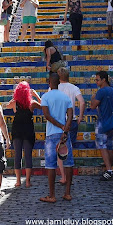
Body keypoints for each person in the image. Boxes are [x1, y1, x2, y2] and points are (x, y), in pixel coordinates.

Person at [39, 73, 74, 203]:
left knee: (50, 165)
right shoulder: (65, 97)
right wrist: (66, 127)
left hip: (51, 134)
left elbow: (47, 115)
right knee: (69, 163)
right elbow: (70, 114)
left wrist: (60, 126)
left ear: (49, 82)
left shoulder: (46, 96)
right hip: (64, 134)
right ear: (58, 82)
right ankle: (67, 193)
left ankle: (52, 195)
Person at [5, 82, 41, 188]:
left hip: (17, 130)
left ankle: (18, 181)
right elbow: (44, 105)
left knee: (17, 155)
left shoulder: (15, 102)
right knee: (28, 155)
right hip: (28, 130)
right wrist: (36, 95)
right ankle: (28, 181)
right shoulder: (32, 103)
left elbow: (7, 105)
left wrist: (14, 98)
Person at [57, 67, 85, 185]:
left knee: (60, 149)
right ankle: (68, 177)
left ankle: (63, 176)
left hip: (58, 122)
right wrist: (80, 116)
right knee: (70, 148)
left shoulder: (54, 87)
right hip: (71, 121)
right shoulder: (74, 88)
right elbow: (82, 102)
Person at [90, 70, 113, 181]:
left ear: (104, 80)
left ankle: (109, 170)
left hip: (102, 122)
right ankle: (110, 166)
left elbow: (93, 106)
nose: (96, 82)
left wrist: (92, 97)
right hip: (111, 121)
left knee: (102, 146)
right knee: (109, 145)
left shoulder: (101, 92)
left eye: (97, 80)